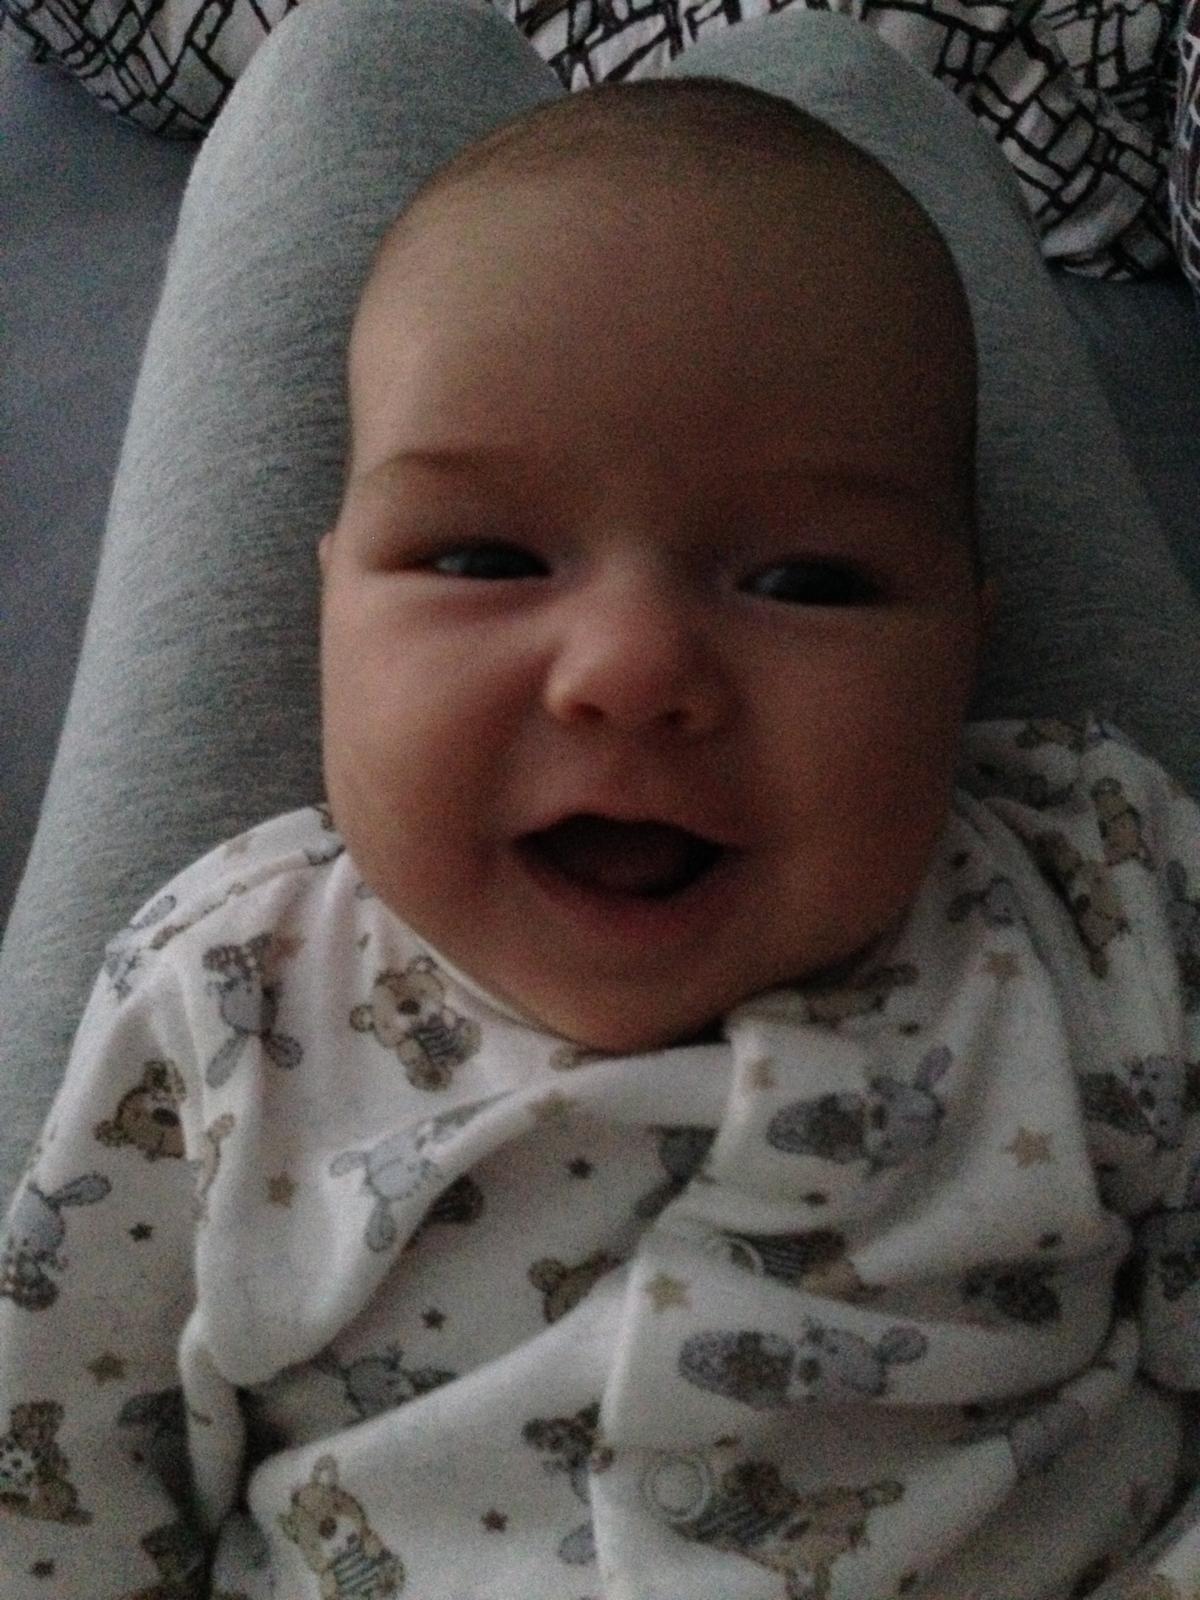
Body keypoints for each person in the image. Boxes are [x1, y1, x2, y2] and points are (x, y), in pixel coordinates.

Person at [2, 62, 1198, 1600]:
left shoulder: (1096, 906)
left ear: (968, 647)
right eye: (483, 558)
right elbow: (55, 1489)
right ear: (325, 609)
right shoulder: (225, 997)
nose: (630, 670)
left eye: (808, 583)